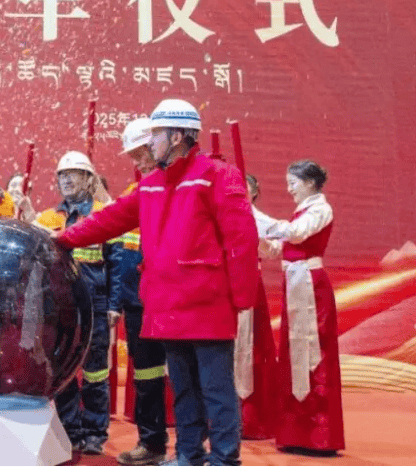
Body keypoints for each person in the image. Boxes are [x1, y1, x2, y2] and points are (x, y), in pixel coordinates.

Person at [55, 99, 258, 467]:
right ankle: (189, 455)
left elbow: (241, 240)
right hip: (166, 306)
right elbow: (108, 220)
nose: (149, 144)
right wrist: (63, 239)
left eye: (155, 136)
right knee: (183, 389)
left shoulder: (218, 176)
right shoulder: (150, 185)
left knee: (216, 390)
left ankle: (224, 460)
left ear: (177, 136)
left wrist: (242, 299)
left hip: (208, 306)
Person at [34, 151, 124, 455]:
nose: (67, 179)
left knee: (96, 371)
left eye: (73, 173)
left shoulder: (104, 214)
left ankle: (95, 432)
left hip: (95, 304)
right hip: (61, 307)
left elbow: (117, 264)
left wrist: (114, 305)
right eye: (62, 174)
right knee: (64, 371)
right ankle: (70, 430)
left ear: (89, 179)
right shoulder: (47, 218)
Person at [257, 161, 344, 455]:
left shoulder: (321, 210)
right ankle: (296, 433)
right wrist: (256, 235)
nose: (289, 189)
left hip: (311, 286)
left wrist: (257, 217)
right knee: (294, 353)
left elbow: (295, 234)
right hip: (296, 283)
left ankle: (319, 435)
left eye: (292, 183)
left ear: (309, 183)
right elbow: (278, 247)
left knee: (314, 353)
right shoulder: (302, 212)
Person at [113, 117, 169, 466]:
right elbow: (122, 254)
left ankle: (194, 447)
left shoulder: (175, 188)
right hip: (138, 303)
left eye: (140, 153)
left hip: (171, 299)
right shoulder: (132, 195)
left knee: (185, 374)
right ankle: (152, 442)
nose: (137, 162)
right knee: (146, 374)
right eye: (132, 156)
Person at [234, 174, 279, 440]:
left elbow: (276, 247)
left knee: (253, 346)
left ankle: (252, 418)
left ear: (254, 192)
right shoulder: (222, 214)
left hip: (251, 285)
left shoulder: (260, 219)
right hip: (226, 286)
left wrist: (260, 242)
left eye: (246, 187)